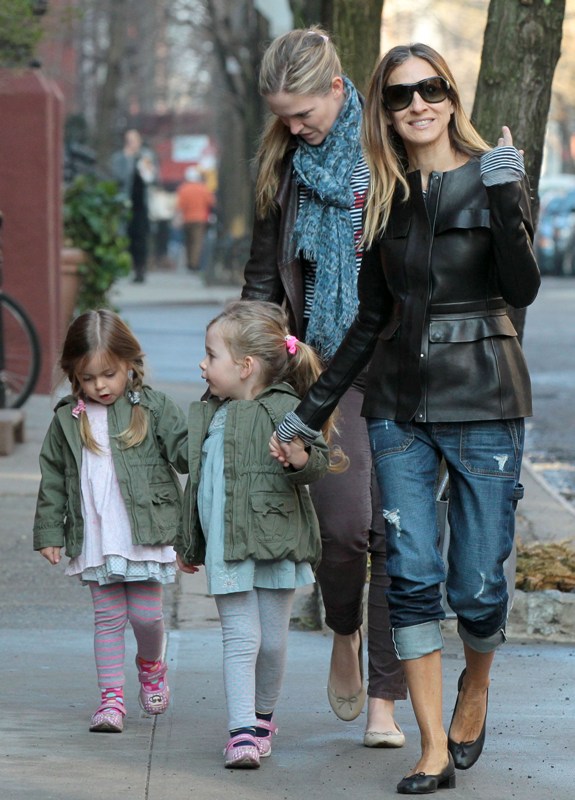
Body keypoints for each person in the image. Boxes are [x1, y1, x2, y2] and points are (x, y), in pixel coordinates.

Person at [270, 43, 540, 794]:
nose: (417, 104)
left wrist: (506, 200)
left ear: (451, 96)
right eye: (399, 95)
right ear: (384, 112)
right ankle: (430, 748)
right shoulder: (381, 193)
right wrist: (308, 414)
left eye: (430, 89)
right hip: (398, 409)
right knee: (413, 575)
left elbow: (521, 289)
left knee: (477, 586)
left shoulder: (492, 175)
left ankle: (475, 686)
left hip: (484, 399)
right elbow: (369, 318)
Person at [242, 26, 406, 746]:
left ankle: (384, 701)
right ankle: (343, 627)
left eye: (303, 113)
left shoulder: (390, 149)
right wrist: (250, 363)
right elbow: (262, 278)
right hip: (326, 374)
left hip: (401, 368)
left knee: (396, 538)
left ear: (337, 89)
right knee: (342, 532)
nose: (293, 127)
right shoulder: (283, 167)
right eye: (282, 116)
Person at [174, 300, 336, 769]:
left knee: (272, 642)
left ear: (245, 367)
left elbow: (319, 461)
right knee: (241, 638)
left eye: (211, 356)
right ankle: (242, 731)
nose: (202, 365)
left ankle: (263, 717)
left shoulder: (287, 410)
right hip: (227, 544)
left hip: (276, 540)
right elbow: (195, 478)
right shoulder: (210, 412)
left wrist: (299, 457)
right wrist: (189, 541)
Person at [33, 309, 188, 734]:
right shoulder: (68, 418)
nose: (100, 385)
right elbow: (53, 478)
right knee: (108, 619)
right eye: (88, 378)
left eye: (109, 374)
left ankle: (151, 666)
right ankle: (111, 699)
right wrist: (49, 531)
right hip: (97, 537)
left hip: (145, 532)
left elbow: (185, 453)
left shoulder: (153, 407)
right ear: (74, 375)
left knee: (146, 617)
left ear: (130, 364)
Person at [110, 129, 157, 283]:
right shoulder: (119, 158)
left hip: (142, 205)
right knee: (123, 235)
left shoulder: (146, 156)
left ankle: (140, 269)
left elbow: (152, 178)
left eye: (134, 140)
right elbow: (118, 178)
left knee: (141, 238)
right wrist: (129, 159)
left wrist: (144, 164)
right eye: (129, 140)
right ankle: (122, 267)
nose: (132, 144)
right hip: (125, 204)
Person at [176, 166, 215, 272]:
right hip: (200, 219)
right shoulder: (204, 188)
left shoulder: (183, 189)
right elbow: (211, 202)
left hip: (186, 219)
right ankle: (194, 264)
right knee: (197, 242)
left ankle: (189, 262)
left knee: (188, 241)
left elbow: (179, 206)